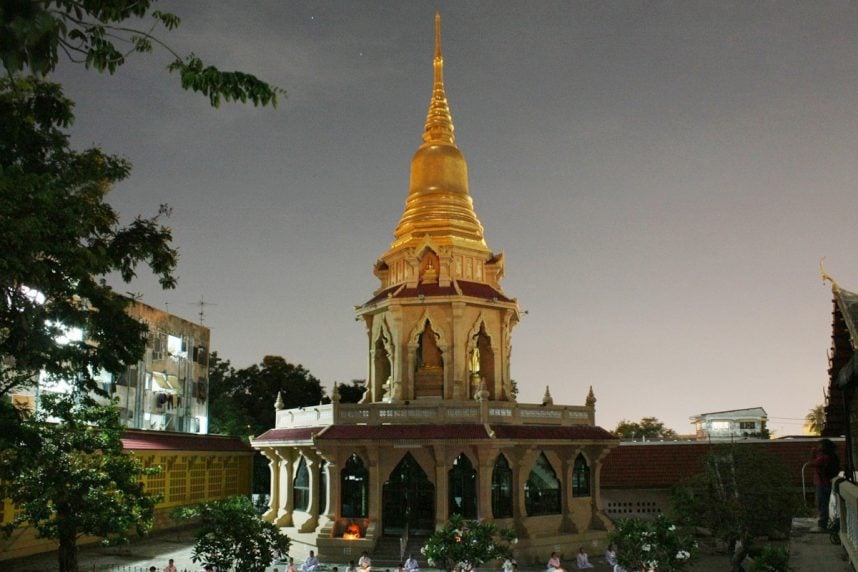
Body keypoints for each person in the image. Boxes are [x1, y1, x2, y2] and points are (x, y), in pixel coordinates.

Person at [809, 438, 840, 531]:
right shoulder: (830, 456)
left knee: (823, 504)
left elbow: (812, 463)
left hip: (822, 484)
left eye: (820, 445)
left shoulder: (824, 457)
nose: (818, 447)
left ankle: (823, 524)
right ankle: (825, 522)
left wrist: (812, 453)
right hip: (825, 483)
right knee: (824, 503)